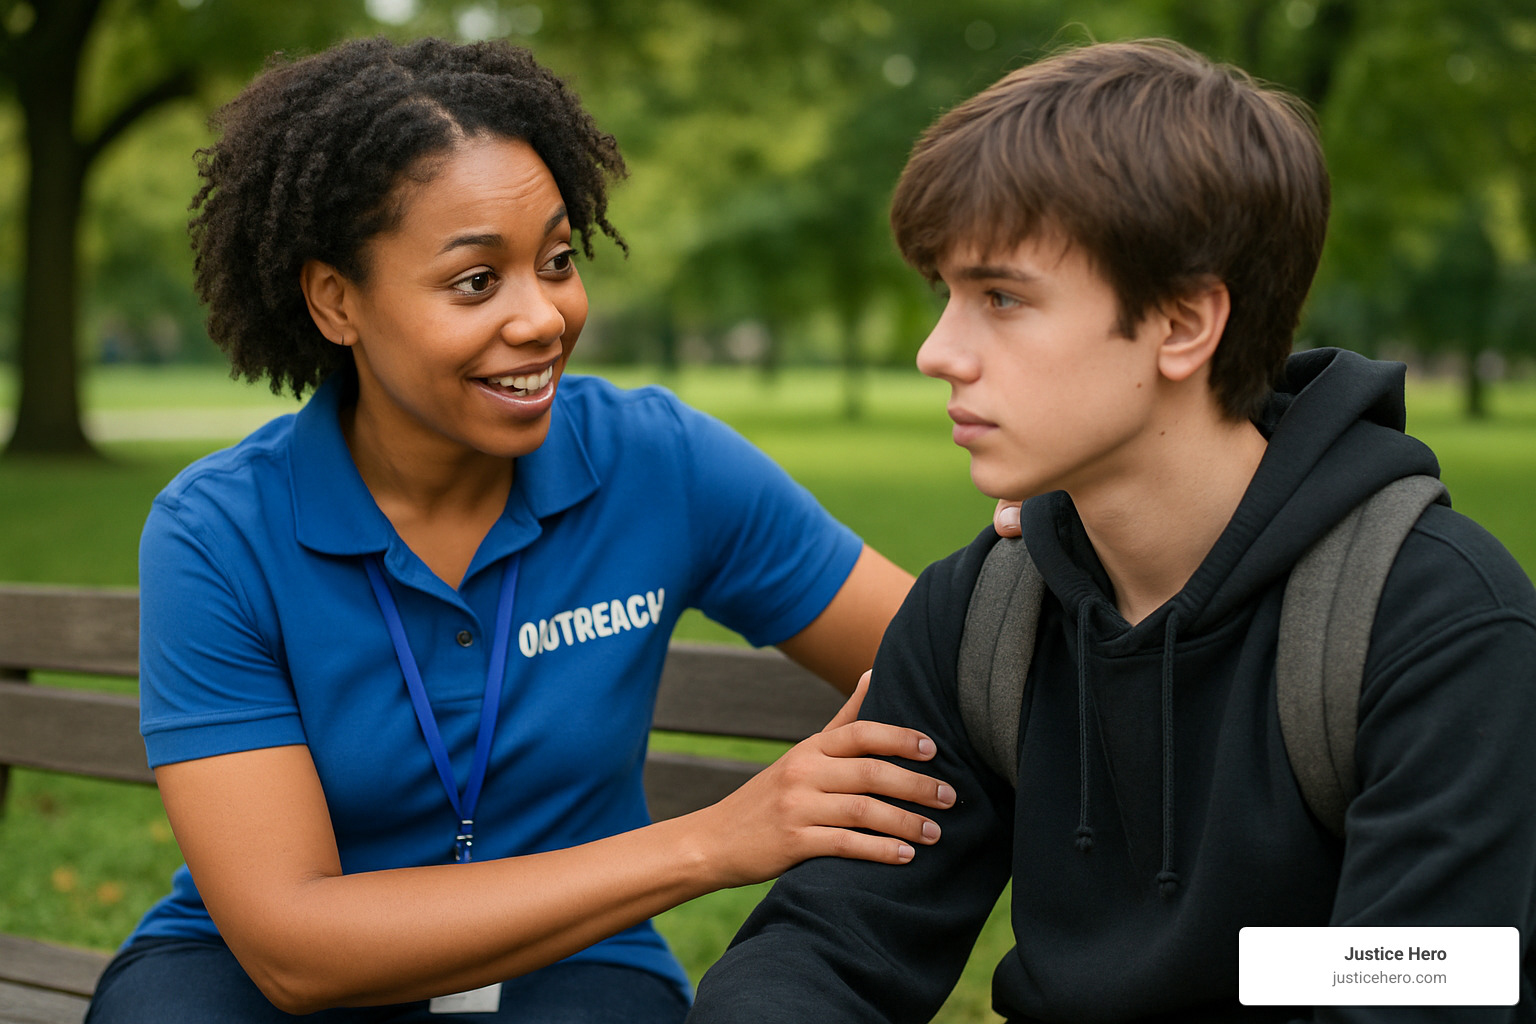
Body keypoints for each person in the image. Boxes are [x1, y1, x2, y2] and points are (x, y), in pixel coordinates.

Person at [84, 36, 958, 1024]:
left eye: (556, 260)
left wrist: (1063, 532)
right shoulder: (219, 533)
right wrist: (715, 840)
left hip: (578, 960)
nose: (543, 316)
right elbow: (292, 945)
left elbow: (940, 662)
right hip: (256, 974)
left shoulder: (659, 464)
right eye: (474, 281)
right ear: (336, 301)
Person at [687, 39, 1536, 1023]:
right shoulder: (983, 613)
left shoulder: (1438, 625)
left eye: (1001, 298)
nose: (936, 352)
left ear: (1182, 324)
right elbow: (831, 942)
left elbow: (1423, 985)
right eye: (946, 296)